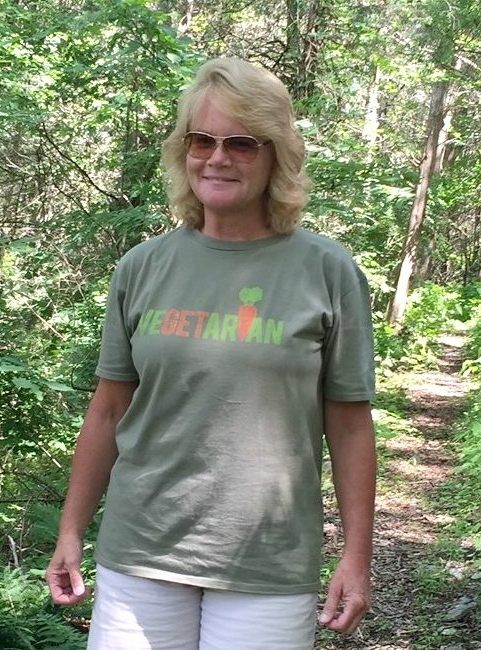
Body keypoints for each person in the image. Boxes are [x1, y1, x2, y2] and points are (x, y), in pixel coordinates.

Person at [46, 57, 376, 650]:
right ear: (184, 149)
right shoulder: (142, 267)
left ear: (276, 155)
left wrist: (357, 556)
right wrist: (71, 530)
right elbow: (107, 411)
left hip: (266, 562)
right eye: (203, 139)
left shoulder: (327, 271)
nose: (218, 157)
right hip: (141, 551)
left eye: (242, 143)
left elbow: (349, 426)